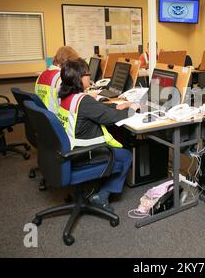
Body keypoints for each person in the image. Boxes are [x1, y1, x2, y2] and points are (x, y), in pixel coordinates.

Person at [57, 58, 140, 212]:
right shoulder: (84, 101)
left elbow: (96, 111)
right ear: (80, 78)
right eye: (87, 74)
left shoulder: (66, 96)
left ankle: (96, 186)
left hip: (68, 149)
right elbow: (112, 117)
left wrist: (107, 104)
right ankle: (101, 196)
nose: (90, 77)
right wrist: (132, 108)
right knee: (126, 156)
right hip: (84, 153)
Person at [35, 46, 79, 114]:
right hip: (56, 118)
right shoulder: (61, 78)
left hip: (43, 117)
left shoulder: (41, 75)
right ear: (68, 63)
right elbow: (71, 104)